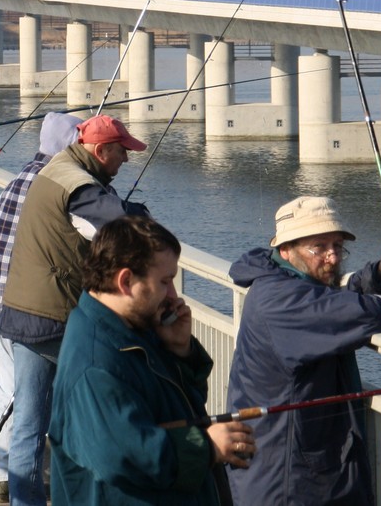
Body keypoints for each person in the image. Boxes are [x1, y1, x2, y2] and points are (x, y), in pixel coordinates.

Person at [226, 195, 381, 506]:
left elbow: (332, 298)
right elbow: (348, 312)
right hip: (286, 482)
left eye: (337, 246)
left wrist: (380, 273)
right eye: (319, 247)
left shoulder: (284, 281)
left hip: (298, 469)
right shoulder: (277, 300)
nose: (332, 257)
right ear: (286, 248)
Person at [0, 114, 149, 506]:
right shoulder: (77, 182)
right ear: (100, 150)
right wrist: (144, 219)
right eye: (121, 152)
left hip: (24, 309)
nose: (125, 161)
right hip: (54, 317)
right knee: (94, 412)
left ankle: (24, 501)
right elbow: (119, 223)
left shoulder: (57, 168)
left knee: (29, 423)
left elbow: (95, 213)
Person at [50, 214, 254, 505]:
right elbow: (121, 454)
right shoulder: (96, 364)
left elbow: (176, 407)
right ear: (126, 281)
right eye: (165, 281)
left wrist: (179, 350)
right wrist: (206, 447)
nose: (173, 294)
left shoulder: (131, 328)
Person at [0, 111, 81, 503]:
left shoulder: (22, 174)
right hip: (20, 306)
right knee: (33, 405)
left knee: (9, 392)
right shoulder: (58, 184)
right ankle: (24, 480)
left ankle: (7, 476)